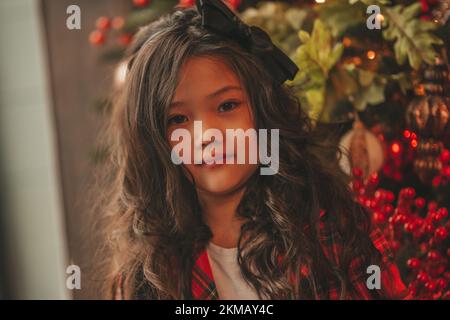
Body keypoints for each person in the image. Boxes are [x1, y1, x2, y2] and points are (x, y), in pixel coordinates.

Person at [101, 0, 407, 300]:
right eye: (178, 119)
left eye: (227, 105)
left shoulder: (333, 233)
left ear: (263, 112)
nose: (208, 135)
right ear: (153, 140)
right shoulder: (148, 275)